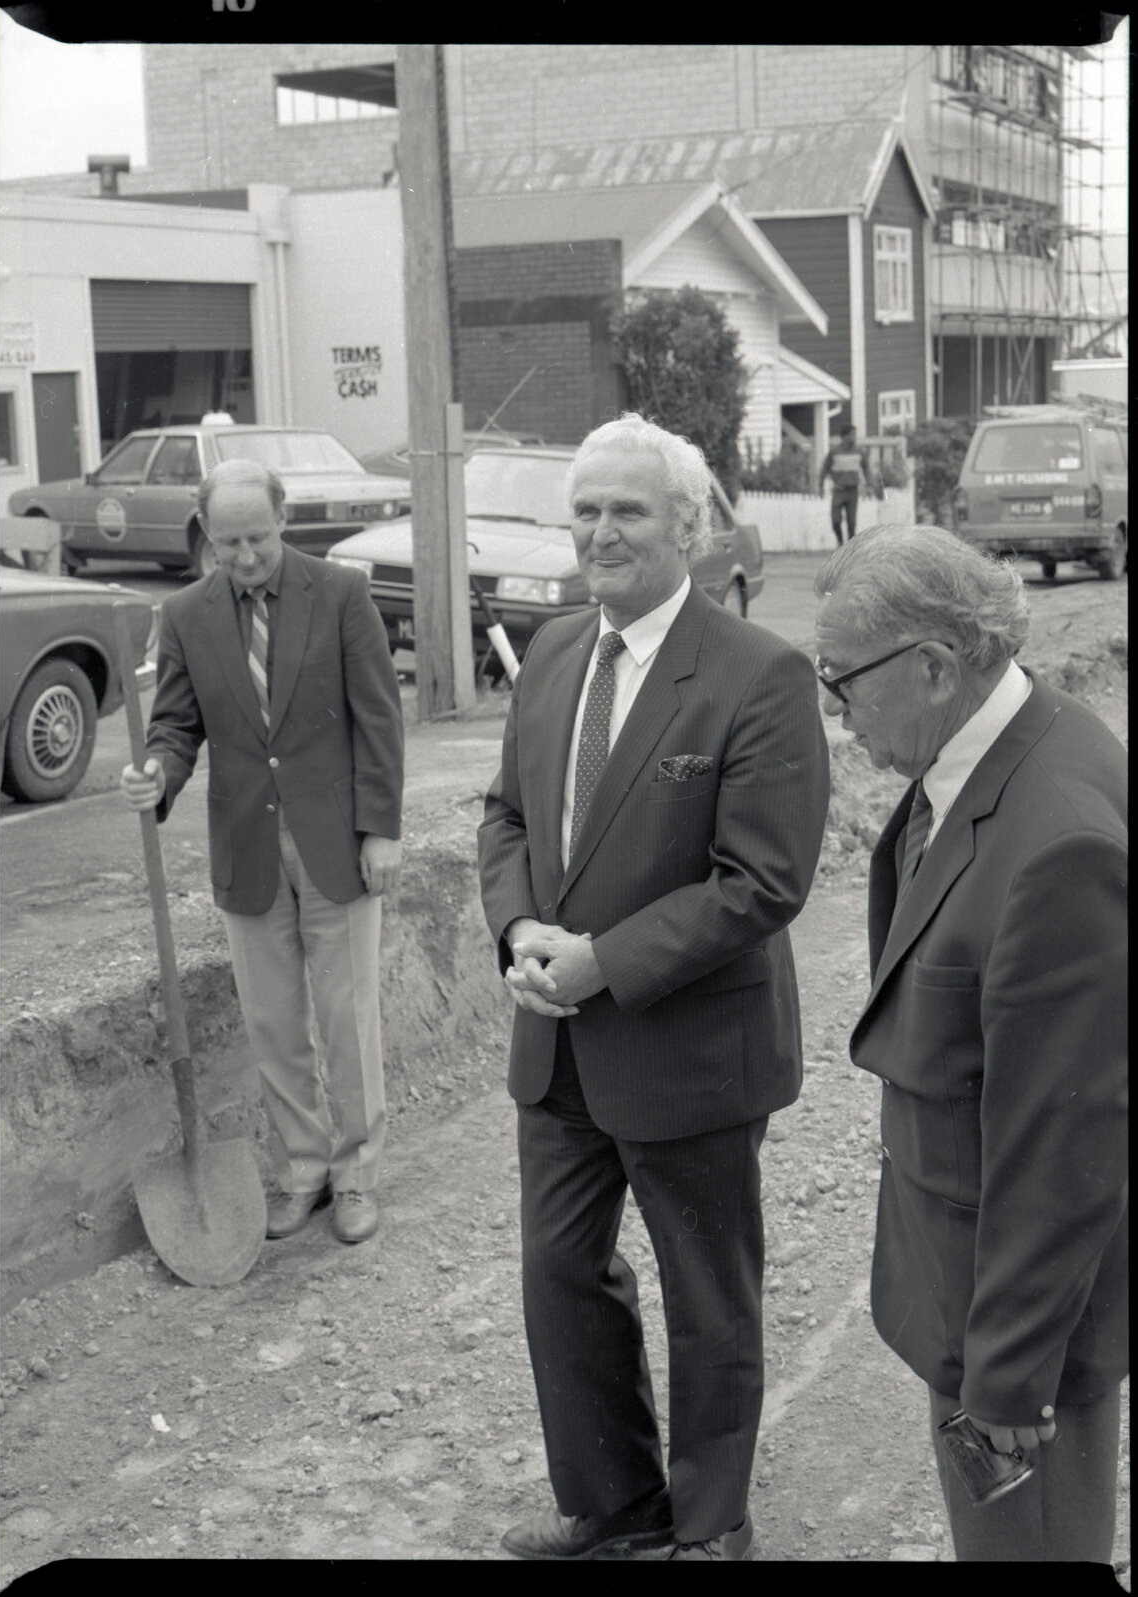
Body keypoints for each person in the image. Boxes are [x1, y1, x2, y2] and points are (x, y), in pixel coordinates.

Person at [477, 413, 829, 1561]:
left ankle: (711, 1525)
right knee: (556, 1274)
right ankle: (615, 1506)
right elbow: (507, 819)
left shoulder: (757, 674)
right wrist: (520, 925)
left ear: (687, 523)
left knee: (707, 1298)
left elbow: (761, 881)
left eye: (624, 509)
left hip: (688, 1050)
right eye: (583, 509)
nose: (598, 531)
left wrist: (605, 961)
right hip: (560, 1044)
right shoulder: (548, 653)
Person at [813, 525, 1127, 1563]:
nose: (837, 712)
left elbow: (1061, 1146)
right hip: (972, 1281)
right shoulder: (989, 751)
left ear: (933, 667)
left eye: (842, 681)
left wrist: (1007, 1375)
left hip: (1012, 1325)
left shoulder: (1055, 836)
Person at [120, 458, 404, 1246]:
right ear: (205, 534)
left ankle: (356, 1177)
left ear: (283, 520)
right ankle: (304, 1172)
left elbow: (378, 719)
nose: (243, 556)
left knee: (347, 1021)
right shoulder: (184, 614)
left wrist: (382, 828)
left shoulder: (341, 593)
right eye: (226, 541)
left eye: (256, 537)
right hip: (246, 846)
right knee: (275, 1024)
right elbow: (176, 725)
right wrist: (156, 771)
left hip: (337, 843)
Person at [820, 424, 881, 545]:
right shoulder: (834, 452)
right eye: (852, 435)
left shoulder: (859, 452)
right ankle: (840, 542)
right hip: (838, 490)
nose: (854, 438)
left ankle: (849, 548)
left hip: (852, 491)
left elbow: (866, 469)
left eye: (855, 435)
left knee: (851, 522)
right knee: (836, 520)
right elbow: (824, 469)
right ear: (844, 437)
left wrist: (869, 485)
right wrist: (820, 486)